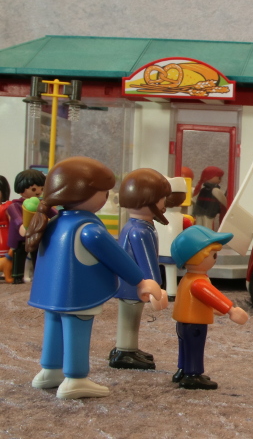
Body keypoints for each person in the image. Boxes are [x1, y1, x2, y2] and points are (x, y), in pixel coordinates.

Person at [25, 157, 165, 399]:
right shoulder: (89, 228)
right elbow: (117, 258)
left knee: (54, 327)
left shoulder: (55, 221)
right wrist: (141, 281)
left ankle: (50, 370)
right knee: (77, 331)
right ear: (82, 192)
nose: (106, 198)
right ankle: (75, 379)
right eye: (104, 193)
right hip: (78, 293)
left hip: (51, 294)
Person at [170, 226, 249, 390]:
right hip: (195, 325)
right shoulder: (199, 282)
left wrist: (210, 309)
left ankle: (182, 370)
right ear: (197, 257)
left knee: (185, 347)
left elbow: (193, 302)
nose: (215, 259)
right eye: (213, 255)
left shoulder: (187, 278)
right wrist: (231, 310)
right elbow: (214, 296)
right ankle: (193, 375)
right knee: (195, 348)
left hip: (183, 323)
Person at [109, 169, 172, 371]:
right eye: (162, 198)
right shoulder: (140, 230)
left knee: (130, 316)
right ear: (147, 199)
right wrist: (155, 286)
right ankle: (125, 351)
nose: (164, 203)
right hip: (134, 284)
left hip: (131, 282)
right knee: (130, 317)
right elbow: (147, 261)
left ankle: (127, 349)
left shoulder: (138, 225)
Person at [8, 169, 50, 283]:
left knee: (37, 255)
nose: (38, 192)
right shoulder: (15, 205)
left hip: (36, 236)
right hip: (21, 238)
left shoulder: (41, 204)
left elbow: (53, 213)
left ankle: (38, 275)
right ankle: (17, 276)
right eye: (34, 189)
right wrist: (21, 226)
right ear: (22, 190)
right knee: (19, 256)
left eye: (42, 188)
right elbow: (16, 217)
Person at [155, 177, 193, 300]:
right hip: (173, 252)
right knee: (170, 272)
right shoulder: (183, 219)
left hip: (156, 251)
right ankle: (171, 292)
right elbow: (188, 236)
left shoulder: (154, 217)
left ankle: (156, 291)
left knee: (155, 272)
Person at [0, 176, 11, 282]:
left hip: (3, 232)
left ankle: (5, 272)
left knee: (4, 251)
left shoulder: (7, 206)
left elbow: (12, 221)